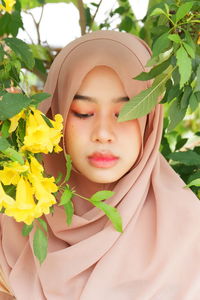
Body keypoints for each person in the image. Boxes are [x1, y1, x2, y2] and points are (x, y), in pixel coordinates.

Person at [1, 30, 200, 300]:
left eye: (125, 113)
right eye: (83, 113)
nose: (103, 132)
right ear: (53, 111)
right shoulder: (14, 215)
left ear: (150, 120)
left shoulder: (189, 233)